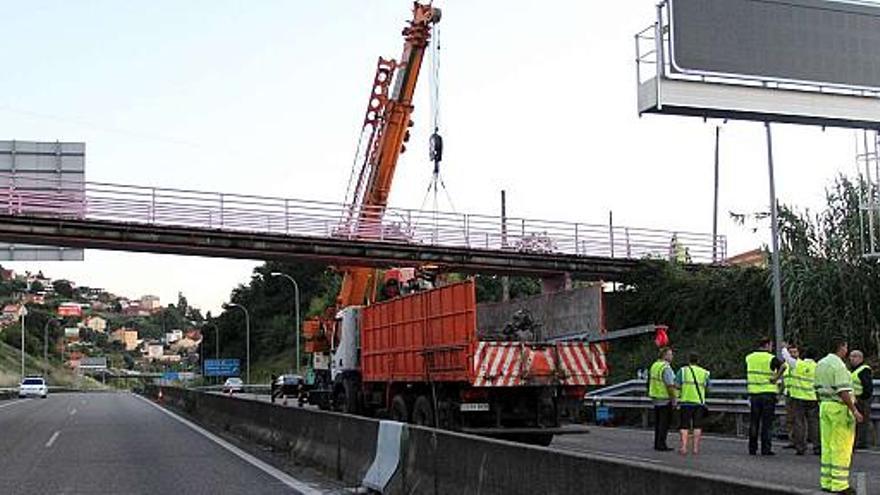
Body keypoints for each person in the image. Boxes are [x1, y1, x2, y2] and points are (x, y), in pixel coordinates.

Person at [815, 336, 864, 494]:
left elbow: (816, 388)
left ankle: (826, 481)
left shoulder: (821, 364)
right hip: (839, 408)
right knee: (841, 447)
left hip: (824, 406)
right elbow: (843, 391)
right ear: (841, 347)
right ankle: (840, 484)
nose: (847, 350)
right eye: (846, 347)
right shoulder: (839, 366)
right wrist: (854, 410)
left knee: (828, 445)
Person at [745, 337, 784, 456]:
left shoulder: (749, 358)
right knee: (767, 423)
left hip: (754, 394)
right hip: (768, 393)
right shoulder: (771, 358)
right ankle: (765, 449)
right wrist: (776, 378)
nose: (771, 348)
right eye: (771, 345)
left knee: (754, 422)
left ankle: (752, 448)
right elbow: (783, 366)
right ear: (767, 345)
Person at [781, 343, 820, 455]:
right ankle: (817, 447)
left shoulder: (797, 364)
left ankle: (800, 447)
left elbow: (786, 357)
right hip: (812, 398)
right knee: (814, 423)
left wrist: (784, 347)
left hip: (797, 398)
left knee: (799, 423)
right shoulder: (817, 367)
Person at [676, 352, 710, 455]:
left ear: (688, 360)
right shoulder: (705, 373)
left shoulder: (682, 371)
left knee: (684, 426)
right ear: (698, 361)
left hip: (686, 401)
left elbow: (676, 385)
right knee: (697, 426)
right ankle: (695, 448)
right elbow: (708, 387)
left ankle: (684, 447)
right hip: (699, 402)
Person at [648, 347, 678, 452]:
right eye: (670, 354)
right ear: (665, 355)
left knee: (658, 422)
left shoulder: (654, 365)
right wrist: (674, 399)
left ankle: (657, 443)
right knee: (664, 423)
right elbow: (670, 385)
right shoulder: (666, 368)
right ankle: (662, 444)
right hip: (665, 398)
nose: (672, 356)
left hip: (656, 397)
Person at [849, 350, 874, 450]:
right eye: (851, 356)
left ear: (860, 358)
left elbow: (868, 386)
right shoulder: (854, 370)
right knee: (856, 421)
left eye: (854, 356)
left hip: (862, 399)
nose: (851, 359)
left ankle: (862, 442)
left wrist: (863, 397)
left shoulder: (864, 370)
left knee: (862, 421)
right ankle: (857, 440)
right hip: (855, 399)